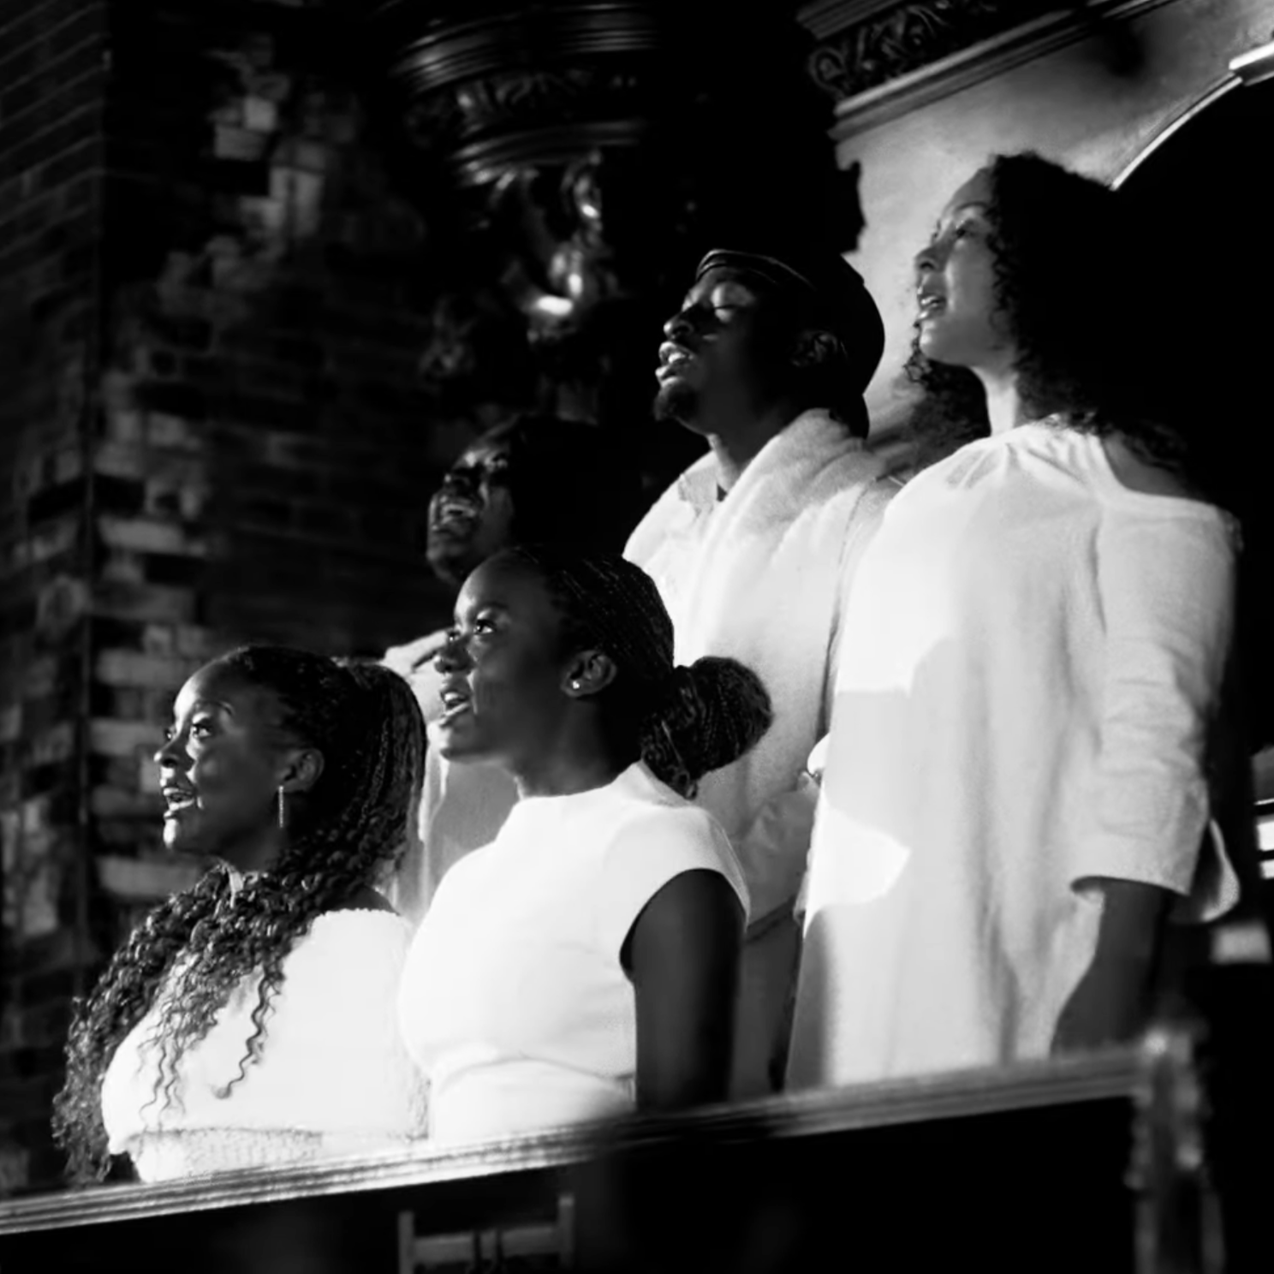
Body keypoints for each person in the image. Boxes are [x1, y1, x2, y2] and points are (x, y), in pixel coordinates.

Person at [787, 152, 1262, 1092]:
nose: (926, 267)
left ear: (1052, 270)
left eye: (965, 237)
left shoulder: (1125, 480)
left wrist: (1116, 968)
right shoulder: (926, 494)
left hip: (1023, 949)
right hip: (871, 963)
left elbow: (1158, 737)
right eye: (925, 244)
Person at [624, 246, 895, 1097]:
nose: (680, 323)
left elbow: (861, 757)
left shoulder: (869, 514)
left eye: (724, 306)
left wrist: (720, 898)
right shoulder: (658, 539)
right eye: (683, 303)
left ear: (812, 351)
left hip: (770, 951)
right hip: (626, 942)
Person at [396, 546, 772, 1143]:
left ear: (586, 669)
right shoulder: (469, 876)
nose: (446, 657)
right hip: (448, 1226)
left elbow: (680, 1146)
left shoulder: (660, 845)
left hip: (576, 1230)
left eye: (485, 628)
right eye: (455, 630)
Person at [53, 646, 429, 1184]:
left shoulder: (358, 946)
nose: (167, 756)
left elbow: (372, 1172)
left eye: (203, 731)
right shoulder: (208, 944)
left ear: (296, 768)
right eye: (172, 733)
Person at [381, 414, 643, 927]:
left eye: (493, 470)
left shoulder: (580, 658)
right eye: (452, 473)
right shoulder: (412, 659)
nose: (454, 485)